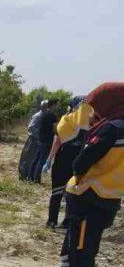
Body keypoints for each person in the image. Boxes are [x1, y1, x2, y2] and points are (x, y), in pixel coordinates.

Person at [28, 82, 124, 267]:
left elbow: (80, 163)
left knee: (81, 259)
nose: (92, 111)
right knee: (70, 256)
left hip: (90, 201)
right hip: (103, 201)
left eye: (96, 104)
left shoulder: (111, 129)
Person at [42, 95, 89, 229]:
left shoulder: (66, 121)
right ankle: (67, 221)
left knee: (57, 193)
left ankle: (52, 221)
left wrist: (48, 160)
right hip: (77, 164)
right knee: (71, 194)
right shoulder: (87, 124)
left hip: (62, 162)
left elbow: (56, 142)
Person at [28, 98, 59, 182]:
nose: (57, 106)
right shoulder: (52, 115)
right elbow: (55, 129)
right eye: (56, 105)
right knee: (42, 160)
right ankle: (36, 179)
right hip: (47, 141)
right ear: (53, 105)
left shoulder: (43, 114)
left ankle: (30, 176)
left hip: (40, 139)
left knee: (36, 159)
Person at [19, 100, 48, 180]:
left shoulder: (44, 116)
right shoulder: (37, 116)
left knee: (35, 159)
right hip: (33, 140)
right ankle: (23, 175)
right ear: (43, 107)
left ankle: (31, 176)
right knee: (28, 158)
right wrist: (39, 135)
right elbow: (31, 128)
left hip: (39, 141)